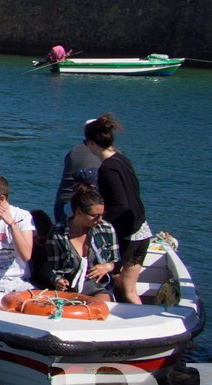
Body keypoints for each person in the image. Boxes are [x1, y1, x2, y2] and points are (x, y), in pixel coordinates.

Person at [85, 113, 152, 304]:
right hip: (142, 230)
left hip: (128, 235)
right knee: (128, 289)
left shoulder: (107, 168)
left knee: (118, 284)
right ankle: (142, 324)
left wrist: (99, 221)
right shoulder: (122, 159)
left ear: (91, 143)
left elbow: (120, 204)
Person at [40, 184, 118, 300]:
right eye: (96, 216)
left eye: (102, 215)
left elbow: (117, 261)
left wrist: (108, 266)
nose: (100, 219)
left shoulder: (106, 229)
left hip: (98, 288)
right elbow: (52, 267)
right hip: (68, 289)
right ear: (79, 212)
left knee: (99, 306)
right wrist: (57, 280)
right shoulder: (58, 233)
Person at [52, 121, 104, 222]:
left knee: (62, 234)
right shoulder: (105, 155)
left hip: (63, 201)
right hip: (86, 205)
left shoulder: (74, 151)